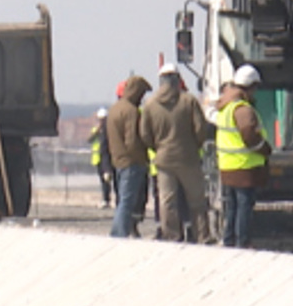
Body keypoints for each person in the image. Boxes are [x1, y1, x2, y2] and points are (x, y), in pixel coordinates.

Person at [141, 63, 214, 243]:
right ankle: (202, 235)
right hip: (188, 157)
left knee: (167, 201)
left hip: (164, 159)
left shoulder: (150, 105)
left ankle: (171, 235)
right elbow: (200, 130)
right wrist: (194, 146)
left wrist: (157, 147)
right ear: (177, 79)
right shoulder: (188, 101)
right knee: (196, 199)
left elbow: (144, 134)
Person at [216, 65, 272, 248]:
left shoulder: (225, 107)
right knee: (244, 207)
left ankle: (229, 240)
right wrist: (265, 149)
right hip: (244, 168)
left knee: (232, 207)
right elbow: (249, 135)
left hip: (228, 167)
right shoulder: (243, 109)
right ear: (249, 86)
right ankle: (243, 243)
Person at [106, 76, 151, 238]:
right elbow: (132, 140)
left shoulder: (115, 109)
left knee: (122, 199)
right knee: (127, 201)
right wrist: (142, 156)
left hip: (117, 160)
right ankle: (118, 233)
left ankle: (119, 231)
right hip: (132, 162)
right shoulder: (131, 111)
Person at [88, 107, 114, 208]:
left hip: (106, 158)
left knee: (107, 180)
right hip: (98, 159)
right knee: (103, 180)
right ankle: (105, 198)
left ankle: (107, 199)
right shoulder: (96, 130)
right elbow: (89, 139)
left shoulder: (110, 131)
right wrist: (97, 132)